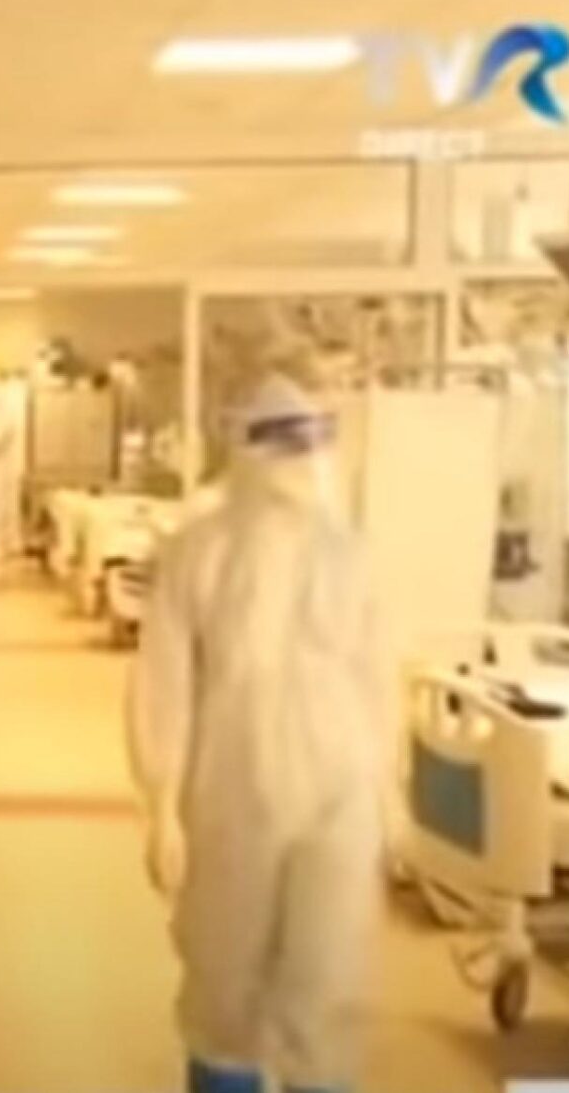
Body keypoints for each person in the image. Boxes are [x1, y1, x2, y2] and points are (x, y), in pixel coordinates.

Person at [126, 373, 395, 1093]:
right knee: (224, 977)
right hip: (232, 796)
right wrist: (160, 805)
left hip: (339, 798)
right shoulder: (199, 553)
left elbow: (374, 680)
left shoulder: (349, 555)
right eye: (282, 444)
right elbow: (164, 686)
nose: (298, 462)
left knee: (329, 981)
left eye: (309, 443)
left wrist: (388, 792)